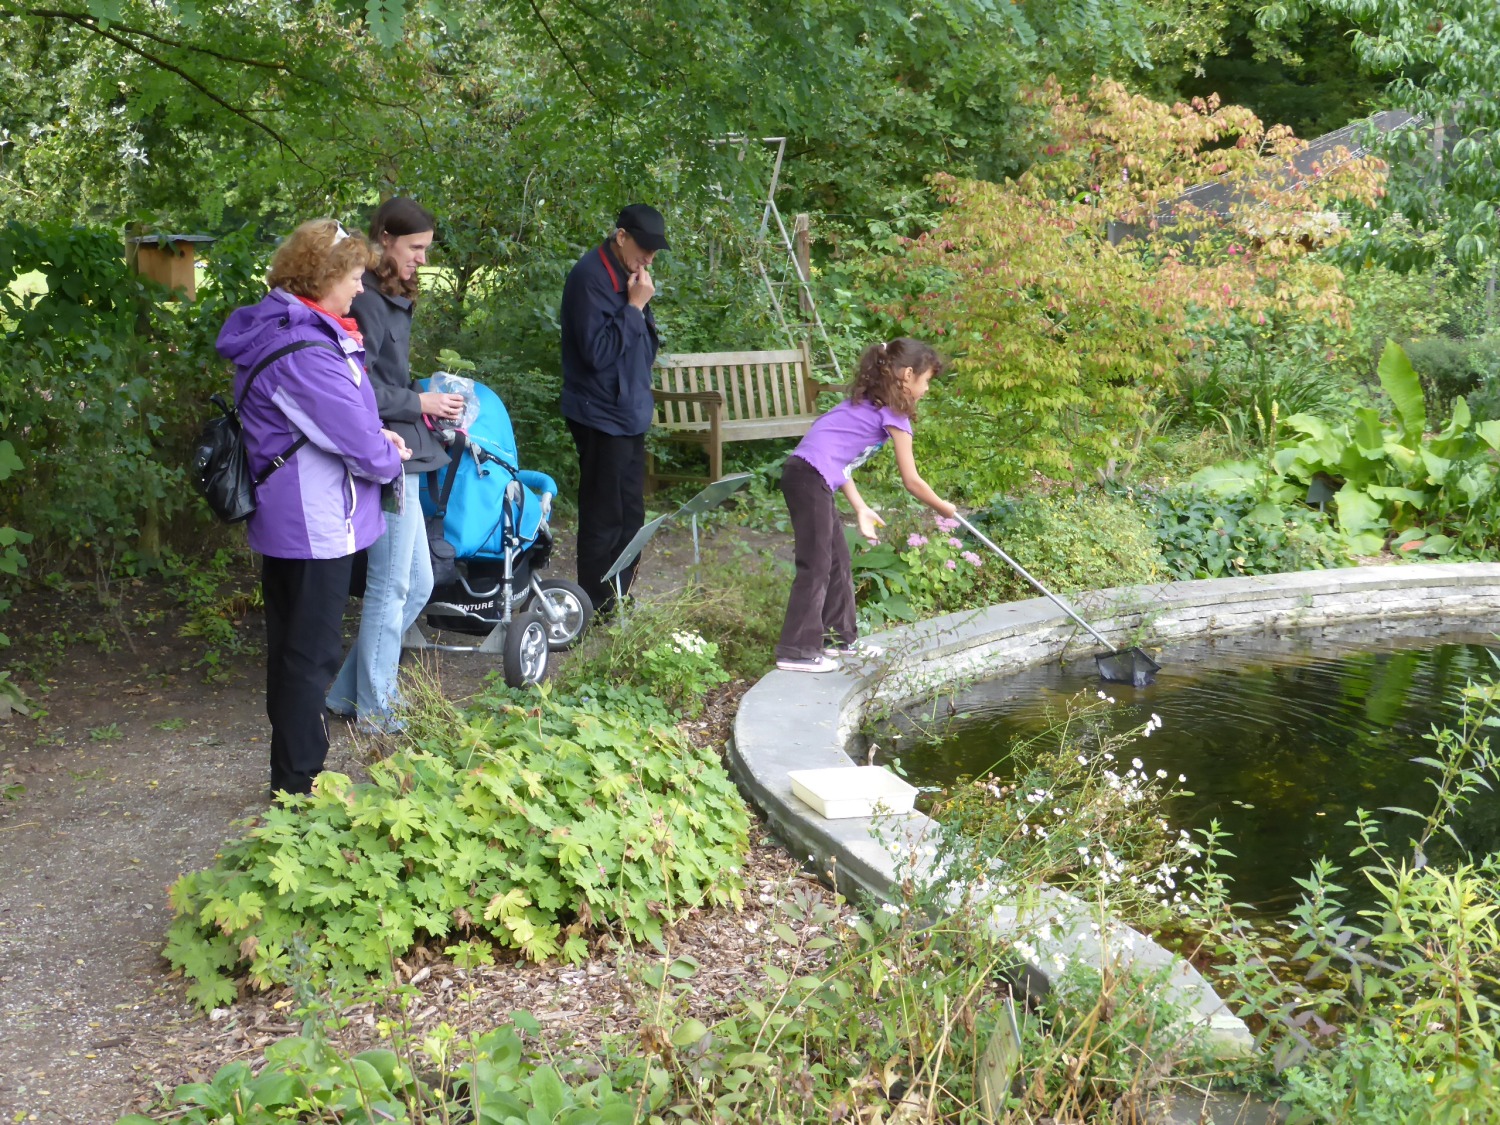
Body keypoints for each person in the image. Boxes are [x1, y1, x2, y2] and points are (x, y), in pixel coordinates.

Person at [216, 219, 410, 796]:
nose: (360, 288)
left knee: (293, 651)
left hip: (295, 515)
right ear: (322, 278)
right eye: (353, 277)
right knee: (310, 655)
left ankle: (292, 775)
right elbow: (358, 445)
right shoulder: (302, 351)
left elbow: (341, 423)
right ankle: (299, 785)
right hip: (314, 521)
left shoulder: (288, 331)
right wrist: (391, 453)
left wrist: (375, 438)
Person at [325, 198, 464, 732]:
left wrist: (429, 401)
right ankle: (377, 710)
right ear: (385, 238)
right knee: (391, 586)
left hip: (406, 449)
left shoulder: (392, 293)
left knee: (419, 584)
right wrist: (418, 402)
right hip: (383, 455)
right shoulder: (361, 298)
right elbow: (353, 389)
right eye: (415, 247)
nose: (422, 259)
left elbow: (388, 377)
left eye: (426, 249)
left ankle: (348, 694)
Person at [774, 337, 957, 674]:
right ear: (907, 375)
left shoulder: (864, 405)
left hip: (811, 477)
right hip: (807, 478)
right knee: (816, 563)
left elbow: (837, 462)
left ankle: (839, 640)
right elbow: (912, 481)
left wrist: (860, 507)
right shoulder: (893, 415)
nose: (927, 389)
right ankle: (796, 651)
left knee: (837, 560)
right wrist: (942, 507)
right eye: (926, 380)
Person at [558, 203, 667, 614]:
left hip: (629, 411)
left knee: (631, 514)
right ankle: (592, 604)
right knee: (603, 514)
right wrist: (635, 306)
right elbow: (598, 353)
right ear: (621, 236)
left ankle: (619, 597)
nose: (649, 260)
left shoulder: (629, 274)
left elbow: (641, 344)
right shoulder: (589, 278)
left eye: (654, 252)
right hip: (599, 413)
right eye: (644, 249)